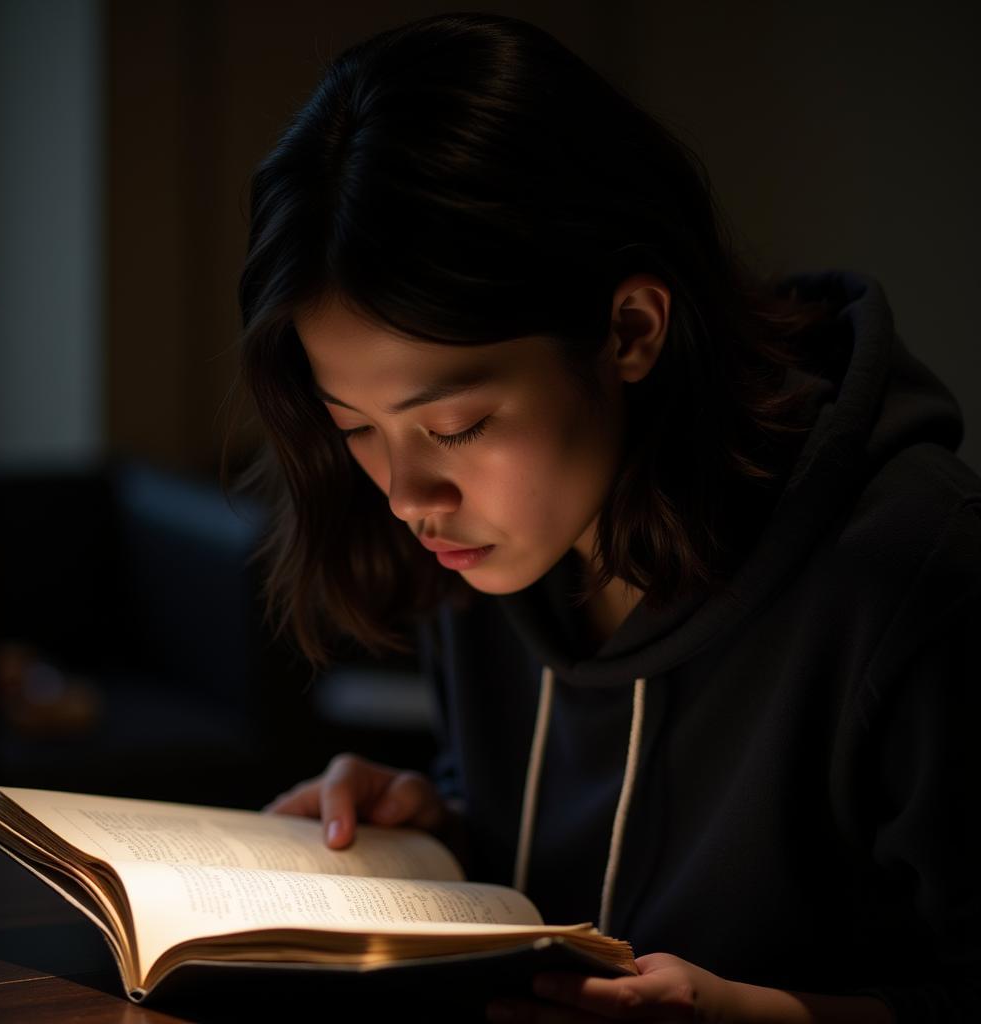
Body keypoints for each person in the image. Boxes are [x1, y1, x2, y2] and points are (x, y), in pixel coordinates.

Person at [235, 11, 980, 1022]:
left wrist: (768, 1016)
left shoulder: (913, 569)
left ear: (629, 330)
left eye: (453, 425)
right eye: (355, 429)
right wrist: (435, 827)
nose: (408, 497)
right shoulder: (491, 545)